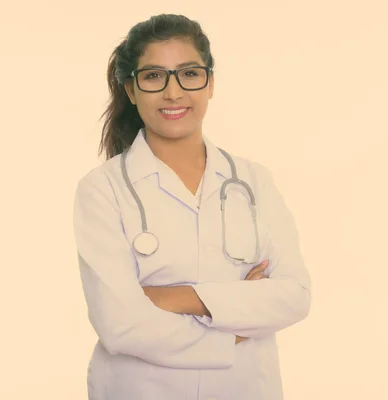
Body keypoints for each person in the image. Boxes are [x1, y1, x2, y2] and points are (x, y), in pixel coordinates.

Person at [72, 13, 311, 400]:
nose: (173, 93)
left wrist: (173, 296)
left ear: (211, 83)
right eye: (153, 76)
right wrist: (236, 325)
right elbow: (120, 324)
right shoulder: (103, 189)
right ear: (131, 90)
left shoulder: (254, 181)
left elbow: (294, 296)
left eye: (189, 74)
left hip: (245, 388)